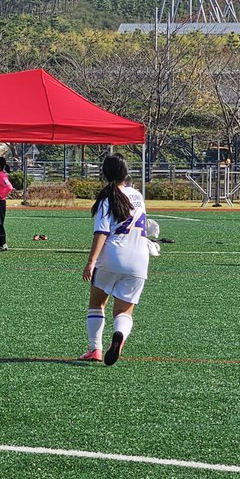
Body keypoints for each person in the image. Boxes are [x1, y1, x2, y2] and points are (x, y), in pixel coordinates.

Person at [79, 155, 148, 366]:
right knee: (123, 311)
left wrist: (91, 261)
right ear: (126, 173)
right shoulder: (137, 196)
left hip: (112, 256)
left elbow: (101, 232)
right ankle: (119, 333)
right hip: (139, 258)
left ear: (105, 174)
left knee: (97, 302)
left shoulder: (107, 198)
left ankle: (95, 349)